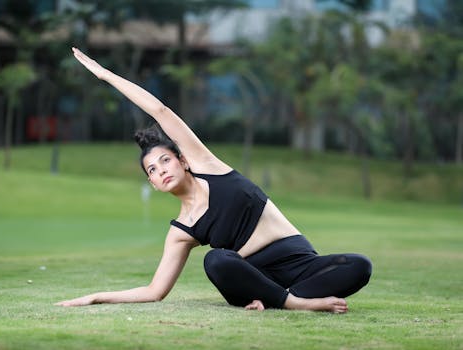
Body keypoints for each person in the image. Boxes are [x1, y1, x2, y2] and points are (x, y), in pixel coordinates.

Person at [56, 48, 372, 313]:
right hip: (248, 278)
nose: (161, 169)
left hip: (298, 262)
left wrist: (106, 76)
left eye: (165, 160)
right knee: (216, 260)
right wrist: (97, 297)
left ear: (182, 160)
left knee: (359, 266)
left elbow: (160, 111)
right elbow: (155, 291)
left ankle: (284, 299)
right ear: (153, 184)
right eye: (152, 170)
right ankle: (297, 303)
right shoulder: (181, 231)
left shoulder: (207, 163)